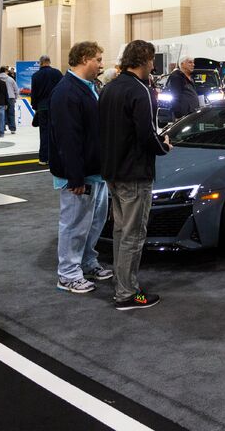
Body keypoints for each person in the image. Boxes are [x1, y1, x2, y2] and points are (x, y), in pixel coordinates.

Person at [98, 40, 171, 310]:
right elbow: (146, 133)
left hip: (113, 172)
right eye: (152, 60)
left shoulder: (109, 88)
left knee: (121, 231)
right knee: (133, 233)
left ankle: (123, 284)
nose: (153, 65)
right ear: (143, 60)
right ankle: (127, 293)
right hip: (135, 172)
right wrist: (163, 146)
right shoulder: (140, 91)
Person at [50, 41, 113, 294]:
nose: (101, 64)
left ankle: (87, 262)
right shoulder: (66, 92)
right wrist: (75, 177)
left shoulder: (88, 88)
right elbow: (68, 139)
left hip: (94, 172)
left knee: (93, 222)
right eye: (98, 59)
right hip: (79, 175)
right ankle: (67, 274)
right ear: (85, 58)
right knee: (74, 224)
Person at [30, 55, 63, 165]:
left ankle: (43, 158)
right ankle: (56, 157)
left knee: (44, 132)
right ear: (49, 62)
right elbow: (62, 89)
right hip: (55, 106)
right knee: (56, 132)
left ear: (40, 63)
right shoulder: (57, 73)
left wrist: (35, 107)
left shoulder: (35, 76)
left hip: (42, 107)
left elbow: (34, 93)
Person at [0, 66, 18, 135]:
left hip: (1, 98)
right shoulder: (10, 79)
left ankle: (2, 128)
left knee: (2, 114)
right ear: (6, 71)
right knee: (11, 113)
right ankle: (12, 129)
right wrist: (15, 98)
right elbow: (16, 89)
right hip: (11, 98)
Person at [0, 71, 11, 137]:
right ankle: (1, 133)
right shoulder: (3, 83)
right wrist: (7, 103)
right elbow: (6, 94)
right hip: (1, 103)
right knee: (1, 119)